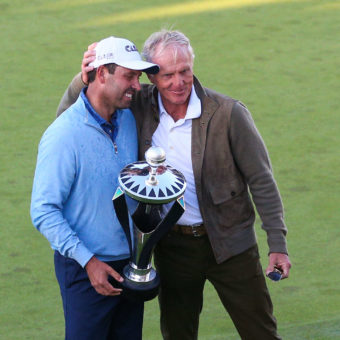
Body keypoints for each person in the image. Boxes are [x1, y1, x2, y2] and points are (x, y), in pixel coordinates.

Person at [56, 30, 292, 340]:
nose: (178, 82)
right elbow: (68, 117)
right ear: (151, 76)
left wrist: (278, 244)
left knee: (261, 332)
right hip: (173, 248)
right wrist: (82, 80)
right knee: (178, 334)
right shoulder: (137, 105)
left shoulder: (229, 113)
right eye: (167, 75)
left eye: (185, 72)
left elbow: (261, 179)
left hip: (232, 245)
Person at [31, 36, 159, 340]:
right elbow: (43, 210)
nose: (137, 86)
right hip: (84, 267)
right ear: (102, 74)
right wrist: (88, 261)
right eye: (129, 76)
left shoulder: (128, 120)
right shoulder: (63, 135)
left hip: (129, 264)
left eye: (138, 77)